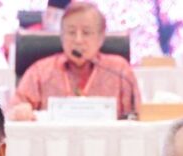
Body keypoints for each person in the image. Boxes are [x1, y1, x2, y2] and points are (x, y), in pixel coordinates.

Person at [10, 2, 141, 120]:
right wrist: (20, 112)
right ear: (62, 36)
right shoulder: (40, 71)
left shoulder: (119, 70)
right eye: (71, 32)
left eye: (86, 32)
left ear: (101, 37)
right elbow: (13, 111)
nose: (78, 40)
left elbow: (139, 116)